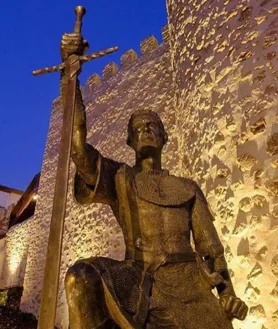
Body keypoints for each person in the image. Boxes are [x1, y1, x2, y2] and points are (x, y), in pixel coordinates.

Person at [61, 33, 248, 329]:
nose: (146, 130)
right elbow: (79, 152)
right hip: (138, 279)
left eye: (153, 126)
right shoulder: (119, 176)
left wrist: (227, 293)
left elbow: (210, 248)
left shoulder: (187, 188)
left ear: (164, 137)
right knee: (80, 277)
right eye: (139, 128)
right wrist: (70, 81)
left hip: (191, 284)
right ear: (130, 140)